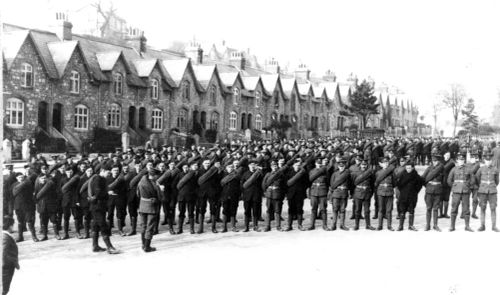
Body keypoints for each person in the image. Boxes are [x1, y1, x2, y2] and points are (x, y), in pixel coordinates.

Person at [88, 167, 120, 254]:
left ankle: (95, 246)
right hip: (98, 207)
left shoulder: (99, 178)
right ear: (102, 171)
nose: (109, 174)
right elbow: (97, 193)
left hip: (97, 206)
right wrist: (107, 193)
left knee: (95, 226)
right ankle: (109, 247)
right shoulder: (98, 179)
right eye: (108, 172)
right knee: (103, 225)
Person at [447, 154, 474, 232]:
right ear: (457, 161)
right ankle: (452, 226)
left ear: (464, 161)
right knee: (454, 208)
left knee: (466, 209)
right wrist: (454, 187)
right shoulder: (454, 169)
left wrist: (468, 186)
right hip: (456, 192)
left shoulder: (468, 169)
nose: (461, 161)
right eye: (459, 160)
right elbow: (449, 180)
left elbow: (473, 180)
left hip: (465, 191)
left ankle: (467, 226)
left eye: (462, 160)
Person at [137, 169, 162, 252]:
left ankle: (143, 244)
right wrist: (160, 189)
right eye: (157, 176)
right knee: (150, 226)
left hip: (142, 205)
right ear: (154, 175)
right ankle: (147, 247)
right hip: (151, 206)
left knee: (143, 226)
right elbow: (160, 196)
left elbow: (138, 194)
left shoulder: (141, 182)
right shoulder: (155, 184)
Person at [475, 152, 499, 232]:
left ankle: (494, 226)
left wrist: (491, 186)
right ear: (484, 161)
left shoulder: (495, 169)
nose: (488, 162)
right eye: (486, 160)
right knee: (482, 208)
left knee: (493, 208)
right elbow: (477, 179)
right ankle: (482, 225)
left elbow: (497, 181)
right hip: (483, 191)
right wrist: (482, 186)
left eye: (489, 160)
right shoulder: (481, 169)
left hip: (492, 192)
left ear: (491, 161)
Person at [396, 160, 423, 231]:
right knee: (402, 210)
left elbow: (419, 185)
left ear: (413, 168)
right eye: (407, 168)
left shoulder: (416, 176)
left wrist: (415, 192)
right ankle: (400, 226)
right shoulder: (402, 175)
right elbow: (399, 185)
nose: (408, 169)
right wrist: (403, 191)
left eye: (409, 168)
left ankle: (411, 225)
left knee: (411, 210)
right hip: (403, 195)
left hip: (412, 196)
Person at [422, 154, 445, 231]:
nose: (435, 162)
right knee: (428, 208)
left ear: (439, 161)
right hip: (429, 191)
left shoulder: (442, 169)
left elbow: (444, 181)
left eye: (436, 161)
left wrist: (441, 188)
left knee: (435, 208)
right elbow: (423, 178)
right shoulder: (429, 168)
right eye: (433, 161)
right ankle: (427, 225)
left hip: (438, 191)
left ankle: (435, 225)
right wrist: (428, 186)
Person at [285, 159, 309, 231]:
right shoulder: (288, 173)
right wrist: (287, 193)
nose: (297, 167)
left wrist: (302, 190)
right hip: (291, 194)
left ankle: (300, 225)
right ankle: (289, 225)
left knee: (299, 209)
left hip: (300, 194)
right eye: (296, 165)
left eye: (299, 165)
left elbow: (307, 183)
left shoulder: (303, 173)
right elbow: (285, 184)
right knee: (291, 210)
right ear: (293, 165)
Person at [351, 158, 375, 230]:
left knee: (367, 211)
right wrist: (353, 194)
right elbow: (352, 184)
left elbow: (372, 184)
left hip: (367, 193)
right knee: (357, 210)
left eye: (365, 165)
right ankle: (356, 225)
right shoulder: (355, 173)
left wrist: (371, 193)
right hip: (358, 193)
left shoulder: (370, 174)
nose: (364, 166)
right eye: (362, 165)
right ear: (360, 165)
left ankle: (368, 225)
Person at [240, 160, 263, 232]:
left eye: (254, 165)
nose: (252, 166)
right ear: (248, 166)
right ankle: (246, 227)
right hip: (247, 196)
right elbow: (242, 185)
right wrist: (243, 194)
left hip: (256, 195)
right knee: (247, 211)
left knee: (255, 212)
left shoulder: (259, 174)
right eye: (251, 165)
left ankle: (255, 226)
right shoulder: (245, 174)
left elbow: (262, 183)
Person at [308, 158, 330, 230]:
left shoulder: (325, 171)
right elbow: (309, 182)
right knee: (313, 209)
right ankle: (312, 225)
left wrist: (326, 191)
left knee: (323, 209)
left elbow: (327, 182)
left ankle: (324, 225)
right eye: (317, 164)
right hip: (314, 192)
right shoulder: (312, 171)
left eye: (320, 164)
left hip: (322, 191)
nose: (319, 165)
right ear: (315, 164)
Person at [374, 157, 395, 231]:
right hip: (381, 192)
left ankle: (389, 225)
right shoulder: (378, 173)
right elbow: (375, 183)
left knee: (389, 210)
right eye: (384, 163)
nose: (386, 164)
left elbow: (394, 183)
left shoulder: (392, 172)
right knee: (381, 209)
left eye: (387, 162)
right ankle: (380, 225)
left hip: (389, 192)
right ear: (380, 164)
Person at [329, 158, 351, 231]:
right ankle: (333, 225)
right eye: (340, 166)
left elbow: (350, 184)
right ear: (338, 166)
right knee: (335, 209)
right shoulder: (334, 174)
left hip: (344, 193)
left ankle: (342, 225)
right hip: (336, 193)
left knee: (342, 210)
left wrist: (349, 192)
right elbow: (332, 184)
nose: (341, 167)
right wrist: (331, 195)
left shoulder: (348, 174)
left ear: (345, 166)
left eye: (343, 166)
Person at [220, 163, 241, 232]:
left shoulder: (236, 176)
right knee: (225, 211)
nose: (230, 168)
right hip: (225, 195)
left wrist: (238, 195)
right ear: (226, 168)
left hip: (234, 196)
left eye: (232, 167)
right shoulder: (222, 175)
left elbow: (239, 186)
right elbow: (220, 185)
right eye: (229, 167)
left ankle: (233, 226)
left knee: (233, 211)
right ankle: (224, 227)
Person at [3, 216, 19, 295]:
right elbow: (3, 253)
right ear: (10, 226)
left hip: (6, 267)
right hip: (6, 269)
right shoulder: (5, 237)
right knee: (4, 289)